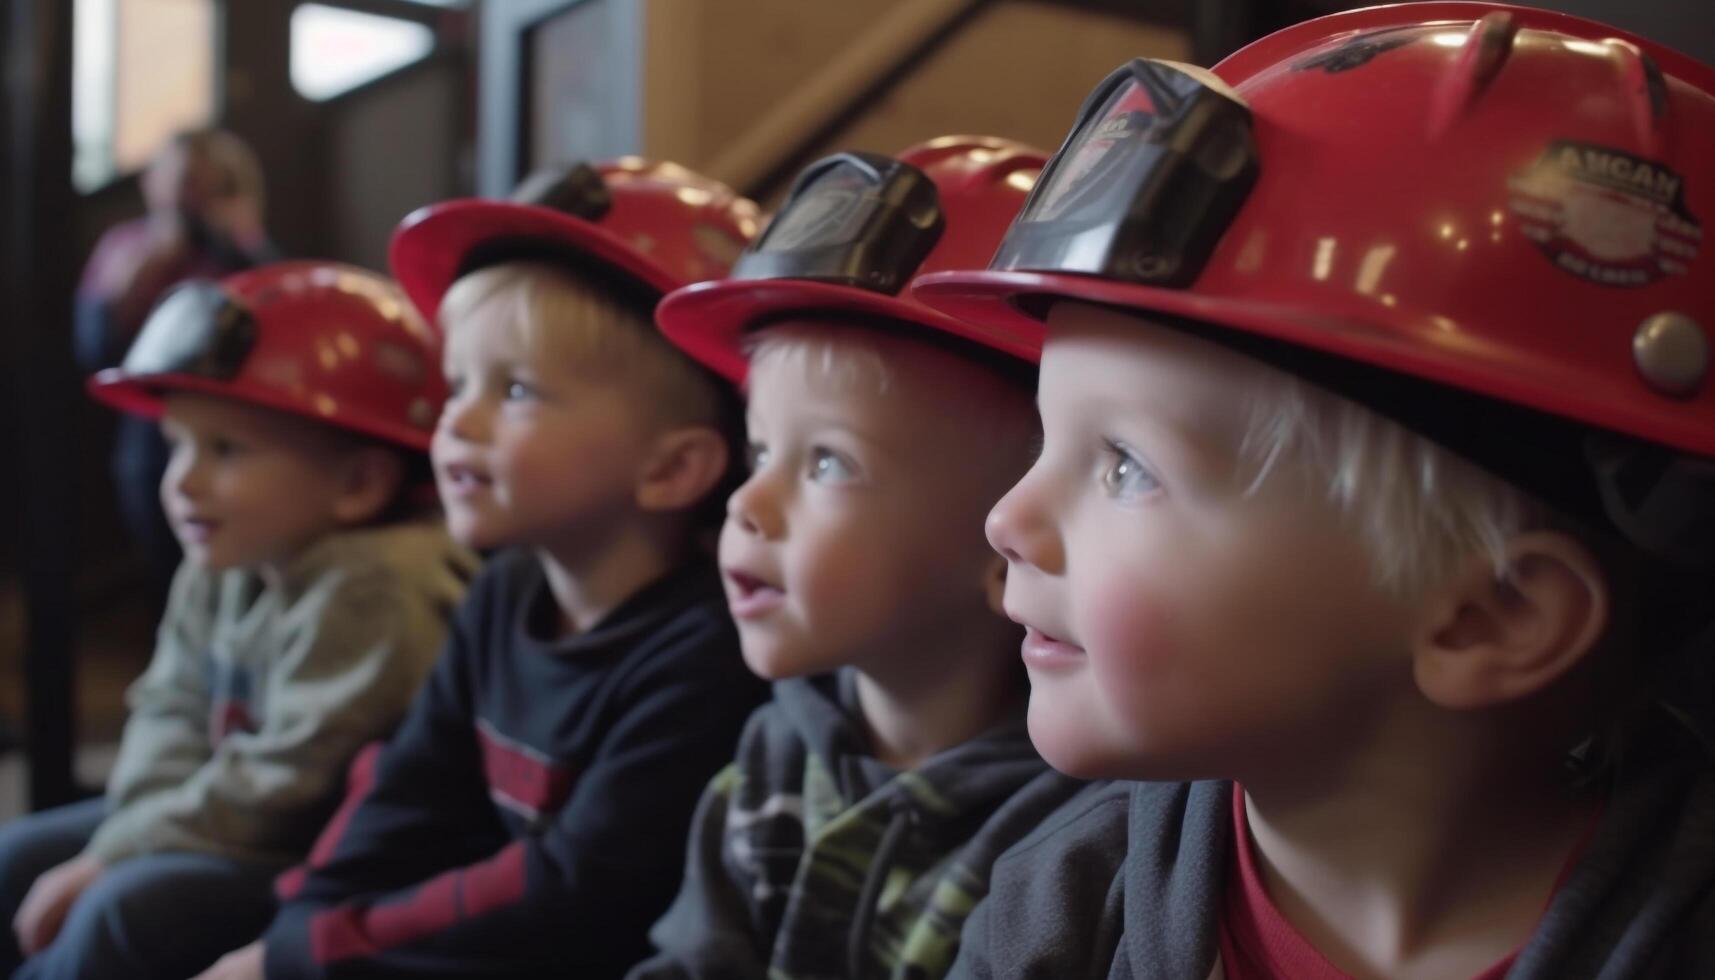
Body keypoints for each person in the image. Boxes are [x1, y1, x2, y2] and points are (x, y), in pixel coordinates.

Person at [911, 6, 1715, 977]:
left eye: (1124, 464)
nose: (1005, 520)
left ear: (1491, 614)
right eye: (1049, 437)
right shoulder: (1064, 908)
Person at [199, 161, 773, 980]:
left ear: (671, 469)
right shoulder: (506, 588)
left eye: (515, 391)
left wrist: (314, 951)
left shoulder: (707, 650)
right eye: (458, 382)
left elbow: (570, 892)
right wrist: (305, 918)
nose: (454, 420)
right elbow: (408, 789)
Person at [630, 137, 1086, 980]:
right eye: (759, 450)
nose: (745, 505)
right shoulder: (773, 754)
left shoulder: (1066, 837)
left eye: (827, 463)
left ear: (1008, 546)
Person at [0, 261, 474, 980]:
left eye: (226, 449)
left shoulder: (377, 581)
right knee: (16, 857)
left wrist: (121, 853)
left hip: (311, 851)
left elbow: (292, 781)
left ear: (360, 483)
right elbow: (170, 706)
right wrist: (131, 829)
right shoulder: (226, 553)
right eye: (178, 444)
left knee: (122, 910)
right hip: (227, 822)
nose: (181, 482)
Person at [76, 128, 279, 604]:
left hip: (240, 427)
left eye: (206, 182)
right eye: (182, 179)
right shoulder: (124, 246)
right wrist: (155, 260)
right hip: (150, 432)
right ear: (153, 183)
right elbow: (94, 345)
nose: (190, 194)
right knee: (166, 573)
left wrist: (241, 240)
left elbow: (275, 316)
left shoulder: (236, 247)